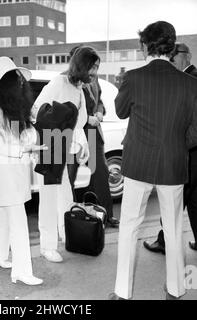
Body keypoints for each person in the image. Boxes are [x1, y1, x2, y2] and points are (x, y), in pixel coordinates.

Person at [109, 21, 197, 300]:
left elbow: (121, 112)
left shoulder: (133, 78)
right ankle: (176, 289)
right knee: (173, 228)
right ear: (172, 48)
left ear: (145, 46)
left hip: (137, 163)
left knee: (129, 227)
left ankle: (122, 293)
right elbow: (196, 130)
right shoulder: (191, 83)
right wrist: (176, 146)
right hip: (173, 164)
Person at [0, 57, 47, 286]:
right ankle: (22, 271)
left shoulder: (14, 108)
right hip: (6, 173)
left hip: (15, 171)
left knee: (4, 216)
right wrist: (25, 149)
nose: (22, 82)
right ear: (7, 82)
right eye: (17, 78)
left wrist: (29, 146)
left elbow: (22, 138)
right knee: (18, 221)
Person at [31, 46, 99, 263]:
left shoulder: (79, 88)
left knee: (66, 196)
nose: (95, 72)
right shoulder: (58, 82)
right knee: (49, 199)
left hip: (65, 148)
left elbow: (80, 121)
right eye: (93, 67)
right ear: (82, 65)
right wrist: (58, 131)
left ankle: (66, 234)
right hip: (51, 147)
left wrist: (81, 144)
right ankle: (47, 246)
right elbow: (36, 110)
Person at [144, 43, 197, 254]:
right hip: (191, 154)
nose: (173, 58)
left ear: (188, 56)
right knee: (193, 201)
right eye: (171, 54)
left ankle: (164, 242)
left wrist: (178, 146)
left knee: (174, 200)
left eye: (177, 54)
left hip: (187, 153)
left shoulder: (190, 80)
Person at [68, 45, 120, 228]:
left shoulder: (94, 77)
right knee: (68, 178)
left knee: (100, 174)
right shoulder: (66, 79)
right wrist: (86, 118)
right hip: (73, 134)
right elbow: (65, 108)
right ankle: (68, 218)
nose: (93, 69)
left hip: (92, 134)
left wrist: (98, 113)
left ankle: (107, 215)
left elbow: (99, 101)